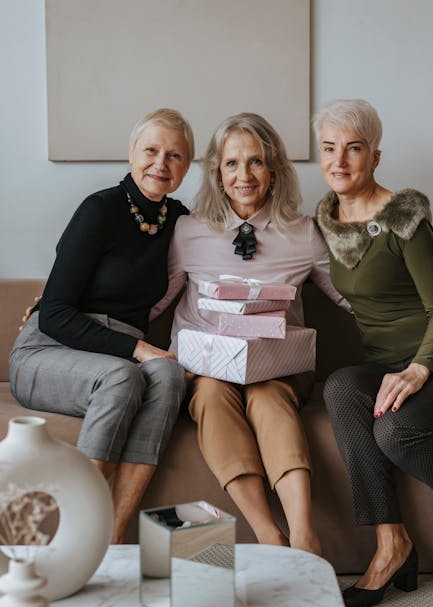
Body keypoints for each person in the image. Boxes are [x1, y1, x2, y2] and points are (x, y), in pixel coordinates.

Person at [314, 99, 433, 607]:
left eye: (354, 149)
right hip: (384, 363)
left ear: (375, 156)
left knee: (396, 429)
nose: (340, 161)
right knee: (340, 387)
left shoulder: (404, 215)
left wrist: (419, 369)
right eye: (329, 148)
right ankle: (391, 541)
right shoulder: (326, 217)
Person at [150, 112, 353, 554]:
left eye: (256, 162)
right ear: (217, 173)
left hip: (278, 367)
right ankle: (270, 536)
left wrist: (427, 299)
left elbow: (348, 295)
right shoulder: (188, 231)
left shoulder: (303, 233)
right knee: (210, 395)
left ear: (275, 168)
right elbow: (153, 302)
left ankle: (305, 538)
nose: (244, 175)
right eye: (231, 164)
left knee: (267, 397)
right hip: (207, 370)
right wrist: (68, 308)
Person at [9, 108, 194, 544]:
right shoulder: (99, 210)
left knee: (169, 373)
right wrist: (138, 349)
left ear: (187, 167)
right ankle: (78, 535)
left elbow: (224, 241)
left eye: (175, 156)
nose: (160, 164)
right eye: (151, 150)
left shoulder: (179, 220)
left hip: (118, 355)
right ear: (131, 154)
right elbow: (53, 312)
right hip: (48, 350)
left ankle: (111, 537)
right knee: (125, 375)